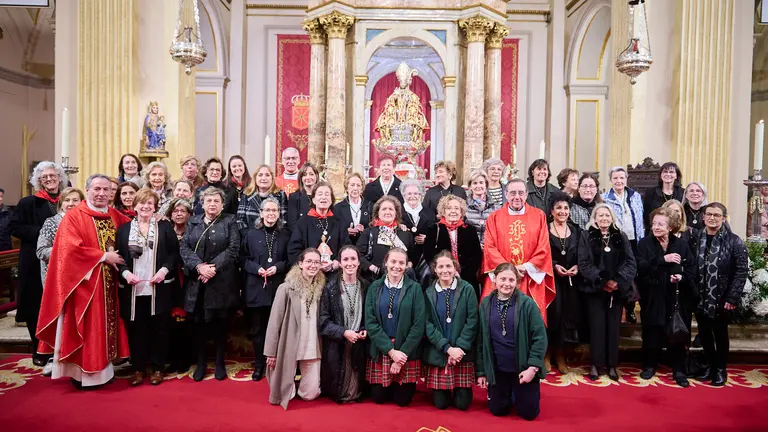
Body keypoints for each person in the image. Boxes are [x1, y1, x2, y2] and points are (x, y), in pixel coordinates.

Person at [36, 174, 131, 388]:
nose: (101, 193)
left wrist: (155, 219)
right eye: (97, 189)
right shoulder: (74, 217)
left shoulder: (115, 216)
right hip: (84, 287)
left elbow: (135, 229)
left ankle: (104, 370)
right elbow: (68, 251)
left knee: (106, 327)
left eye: (106, 190)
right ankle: (84, 375)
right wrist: (103, 256)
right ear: (87, 190)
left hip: (110, 285)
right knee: (89, 328)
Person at [116, 189, 180, 386]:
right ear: (134, 206)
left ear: (155, 207)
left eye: (150, 204)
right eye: (142, 203)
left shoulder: (165, 227)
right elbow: (118, 257)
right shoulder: (124, 230)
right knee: (136, 329)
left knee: (159, 329)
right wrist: (126, 274)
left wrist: (163, 271)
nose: (146, 207)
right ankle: (138, 369)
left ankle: (158, 368)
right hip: (133, 289)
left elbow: (174, 255)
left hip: (158, 286)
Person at [180, 187, 241, 382]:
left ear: (222, 204)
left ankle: (219, 362)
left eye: (216, 201)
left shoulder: (230, 221)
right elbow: (185, 247)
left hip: (221, 281)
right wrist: (199, 266)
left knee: (220, 324)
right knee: (199, 324)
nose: (212, 204)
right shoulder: (193, 221)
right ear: (202, 204)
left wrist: (212, 269)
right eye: (209, 201)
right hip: (198, 281)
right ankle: (201, 362)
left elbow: (233, 249)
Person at [10, 161, 67, 366]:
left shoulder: (68, 200)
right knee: (36, 305)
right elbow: (14, 227)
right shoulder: (28, 202)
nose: (49, 180)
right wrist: (43, 233)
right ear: (39, 181)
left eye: (53, 176)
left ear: (60, 178)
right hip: (35, 260)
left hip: (64, 261)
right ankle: (39, 351)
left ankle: (61, 349)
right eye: (45, 177)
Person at [476, 263, 547, 421]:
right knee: (498, 410)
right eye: (503, 279)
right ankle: (508, 392)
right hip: (499, 369)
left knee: (529, 414)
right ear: (494, 279)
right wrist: (481, 372)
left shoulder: (527, 304)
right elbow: (481, 341)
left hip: (522, 369)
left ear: (517, 282)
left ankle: (521, 392)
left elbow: (540, 338)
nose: (507, 284)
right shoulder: (485, 304)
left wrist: (532, 369)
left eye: (511, 280)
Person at [636, 208, 696, 387]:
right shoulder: (644, 244)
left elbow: (692, 270)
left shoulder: (681, 245)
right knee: (651, 333)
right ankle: (649, 366)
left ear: (670, 227)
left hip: (676, 297)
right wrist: (663, 259)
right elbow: (640, 267)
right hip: (652, 296)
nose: (656, 227)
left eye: (660, 224)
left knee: (677, 334)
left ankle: (679, 370)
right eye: (654, 224)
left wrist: (681, 278)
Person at [482, 179, 555, 324]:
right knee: (497, 320)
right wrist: (509, 270)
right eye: (513, 193)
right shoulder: (494, 218)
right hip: (502, 277)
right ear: (506, 194)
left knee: (529, 322)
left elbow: (543, 247)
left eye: (521, 193)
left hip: (529, 276)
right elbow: (489, 248)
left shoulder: (539, 216)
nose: (517, 197)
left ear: (527, 194)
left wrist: (525, 267)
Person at [577, 203, 636, 382]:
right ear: (594, 218)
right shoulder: (586, 236)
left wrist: (616, 281)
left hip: (616, 292)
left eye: (607, 215)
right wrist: (602, 281)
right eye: (600, 215)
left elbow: (630, 263)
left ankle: (611, 365)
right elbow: (584, 263)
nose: (604, 218)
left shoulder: (621, 236)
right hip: (595, 290)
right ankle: (595, 364)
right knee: (596, 328)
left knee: (613, 328)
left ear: (612, 218)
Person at [692, 203, 747, 387]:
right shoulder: (697, 237)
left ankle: (721, 369)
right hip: (700, 296)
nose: (712, 218)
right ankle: (709, 365)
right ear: (703, 217)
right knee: (704, 333)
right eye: (709, 214)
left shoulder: (734, 241)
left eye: (716, 215)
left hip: (722, 297)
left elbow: (741, 271)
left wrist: (732, 297)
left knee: (720, 334)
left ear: (724, 218)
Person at [264, 248, 325, 409]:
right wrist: (271, 351)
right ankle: (289, 384)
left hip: (312, 343)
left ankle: (302, 384)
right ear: (300, 264)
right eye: (309, 261)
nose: (313, 265)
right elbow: (274, 322)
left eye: (316, 262)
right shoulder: (286, 288)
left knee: (310, 395)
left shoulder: (322, 289)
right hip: (290, 343)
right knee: (285, 394)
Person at [364, 248, 425, 407]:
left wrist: (401, 356)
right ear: (386, 263)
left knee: (402, 401)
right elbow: (371, 323)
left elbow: (418, 325)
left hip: (405, 352)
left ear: (407, 266)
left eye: (401, 263)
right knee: (379, 398)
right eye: (393, 261)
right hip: (382, 350)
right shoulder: (374, 287)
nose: (396, 266)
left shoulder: (415, 288)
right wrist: (391, 352)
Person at [241, 197, 290, 381]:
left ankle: (277, 364)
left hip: (277, 286)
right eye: (267, 211)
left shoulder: (285, 233)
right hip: (256, 286)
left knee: (277, 327)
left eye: (274, 211)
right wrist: (256, 269)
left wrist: (278, 267)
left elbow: (290, 259)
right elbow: (243, 259)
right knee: (258, 329)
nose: (271, 214)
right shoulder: (251, 234)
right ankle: (259, 364)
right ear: (261, 213)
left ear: (279, 214)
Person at [422, 251, 478, 411]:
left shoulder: (468, 289)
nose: (444, 270)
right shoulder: (428, 293)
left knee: (463, 405)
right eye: (440, 266)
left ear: (455, 268)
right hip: (440, 353)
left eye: (448, 266)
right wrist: (447, 348)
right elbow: (428, 325)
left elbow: (472, 321)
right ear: (435, 269)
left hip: (462, 353)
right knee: (441, 404)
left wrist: (459, 348)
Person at [318, 245, 370, 403]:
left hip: (359, 345)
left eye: (353, 258)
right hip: (338, 345)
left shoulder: (366, 286)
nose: (349, 263)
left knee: (357, 392)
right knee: (340, 393)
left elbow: (370, 317)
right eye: (345, 259)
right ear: (339, 263)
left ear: (359, 262)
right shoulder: (330, 288)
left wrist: (364, 329)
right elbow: (323, 322)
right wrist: (344, 332)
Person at [602, 166, 644, 324]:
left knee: (634, 274)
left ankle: (632, 307)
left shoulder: (635, 196)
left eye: (621, 178)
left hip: (635, 240)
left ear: (626, 179)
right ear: (611, 180)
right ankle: (623, 307)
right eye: (615, 178)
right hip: (617, 242)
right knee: (622, 273)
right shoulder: (605, 197)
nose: (619, 181)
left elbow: (640, 218)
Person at [547, 192, 581, 373]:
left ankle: (560, 356)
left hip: (571, 281)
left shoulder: (576, 230)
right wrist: (554, 266)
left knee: (566, 317)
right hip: (550, 281)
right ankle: (546, 354)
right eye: (559, 208)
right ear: (552, 211)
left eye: (566, 208)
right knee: (552, 315)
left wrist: (577, 267)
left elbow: (582, 255)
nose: (563, 211)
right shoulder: (544, 229)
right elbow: (541, 254)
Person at [423, 195, 482, 294]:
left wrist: (461, 273)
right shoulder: (433, 229)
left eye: (456, 208)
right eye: (449, 208)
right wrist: (444, 272)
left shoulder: (470, 229)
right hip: (441, 277)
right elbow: (428, 254)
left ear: (461, 211)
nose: (453, 211)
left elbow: (476, 255)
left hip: (466, 279)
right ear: (443, 211)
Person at [288, 182, 349, 268]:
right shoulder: (303, 222)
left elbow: (346, 247)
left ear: (331, 200)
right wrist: (309, 264)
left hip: (334, 272)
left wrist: (336, 263)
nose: (323, 197)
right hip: (309, 272)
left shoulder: (339, 222)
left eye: (327, 194)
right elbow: (294, 250)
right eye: (320, 194)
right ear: (313, 200)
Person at [164, 198, 194, 374]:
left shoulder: (194, 232)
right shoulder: (165, 232)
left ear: (189, 214)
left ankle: (186, 358)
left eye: (183, 211)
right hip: (169, 281)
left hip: (189, 281)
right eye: (176, 211)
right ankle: (172, 358)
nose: (179, 214)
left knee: (187, 322)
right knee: (170, 321)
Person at [356, 196, 415, 281]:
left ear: (396, 213)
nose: (387, 212)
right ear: (378, 213)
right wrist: (373, 268)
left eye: (391, 209)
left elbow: (412, 256)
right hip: (375, 279)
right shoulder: (368, 232)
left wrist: (408, 266)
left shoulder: (405, 233)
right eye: (384, 209)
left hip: (401, 280)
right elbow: (358, 255)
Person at [36, 187, 84, 285]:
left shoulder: (86, 222)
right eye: (67, 200)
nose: (71, 204)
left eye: (75, 200)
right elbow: (41, 251)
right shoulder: (51, 222)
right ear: (61, 204)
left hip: (81, 275)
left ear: (82, 203)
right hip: (57, 276)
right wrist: (66, 250)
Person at [237, 164, 289, 233]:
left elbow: (284, 220)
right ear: (255, 178)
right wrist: (250, 236)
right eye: (260, 175)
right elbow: (240, 221)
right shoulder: (246, 194)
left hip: (274, 237)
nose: (264, 178)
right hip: (250, 238)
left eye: (267, 175)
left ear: (272, 178)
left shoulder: (280, 194)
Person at [400, 179, 434, 268]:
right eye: (409, 194)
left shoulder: (429, 212)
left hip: (424, 257)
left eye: (416, 193)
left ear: (420, 195)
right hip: (403, 255)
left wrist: (428, 239)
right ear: (404, 195)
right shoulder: (397, 212)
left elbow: (435, 233)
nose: (413, 196)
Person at [643, 162, 684, 231]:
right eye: (665, 172)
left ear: (676, 176)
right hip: (655, 229)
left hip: (677, 230)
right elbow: (646, 214)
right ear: (661, 175)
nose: (668, 174)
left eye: (671, 172)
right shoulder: (650, 192)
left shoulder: (683, 193)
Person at [334, 173, 372, 245]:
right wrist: (346, 231)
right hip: (345, 246)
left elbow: (374, 229)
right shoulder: (338, 208)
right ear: (347, 188)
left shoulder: (370, 206)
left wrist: (364, 230)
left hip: (364, 247)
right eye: (352, 185)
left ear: (362, 188)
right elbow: (335, 231)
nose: (355, 188)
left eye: (358, 185)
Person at [465, 169, 500, 247]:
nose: (478, 186)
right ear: (470, 187)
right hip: (470, 249)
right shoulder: (463, 207)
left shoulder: (496, 207)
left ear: (486, 185)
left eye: (481, 183)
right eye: (475, 183)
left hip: (490, 248)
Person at [286, 162, 319, 230]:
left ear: (316, 176)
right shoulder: (294, 197)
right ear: (301, 178)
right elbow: (292, 225)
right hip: (301, 237)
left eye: (311, 174)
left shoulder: (321, 197)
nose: (308, 177)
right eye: (304, 175)